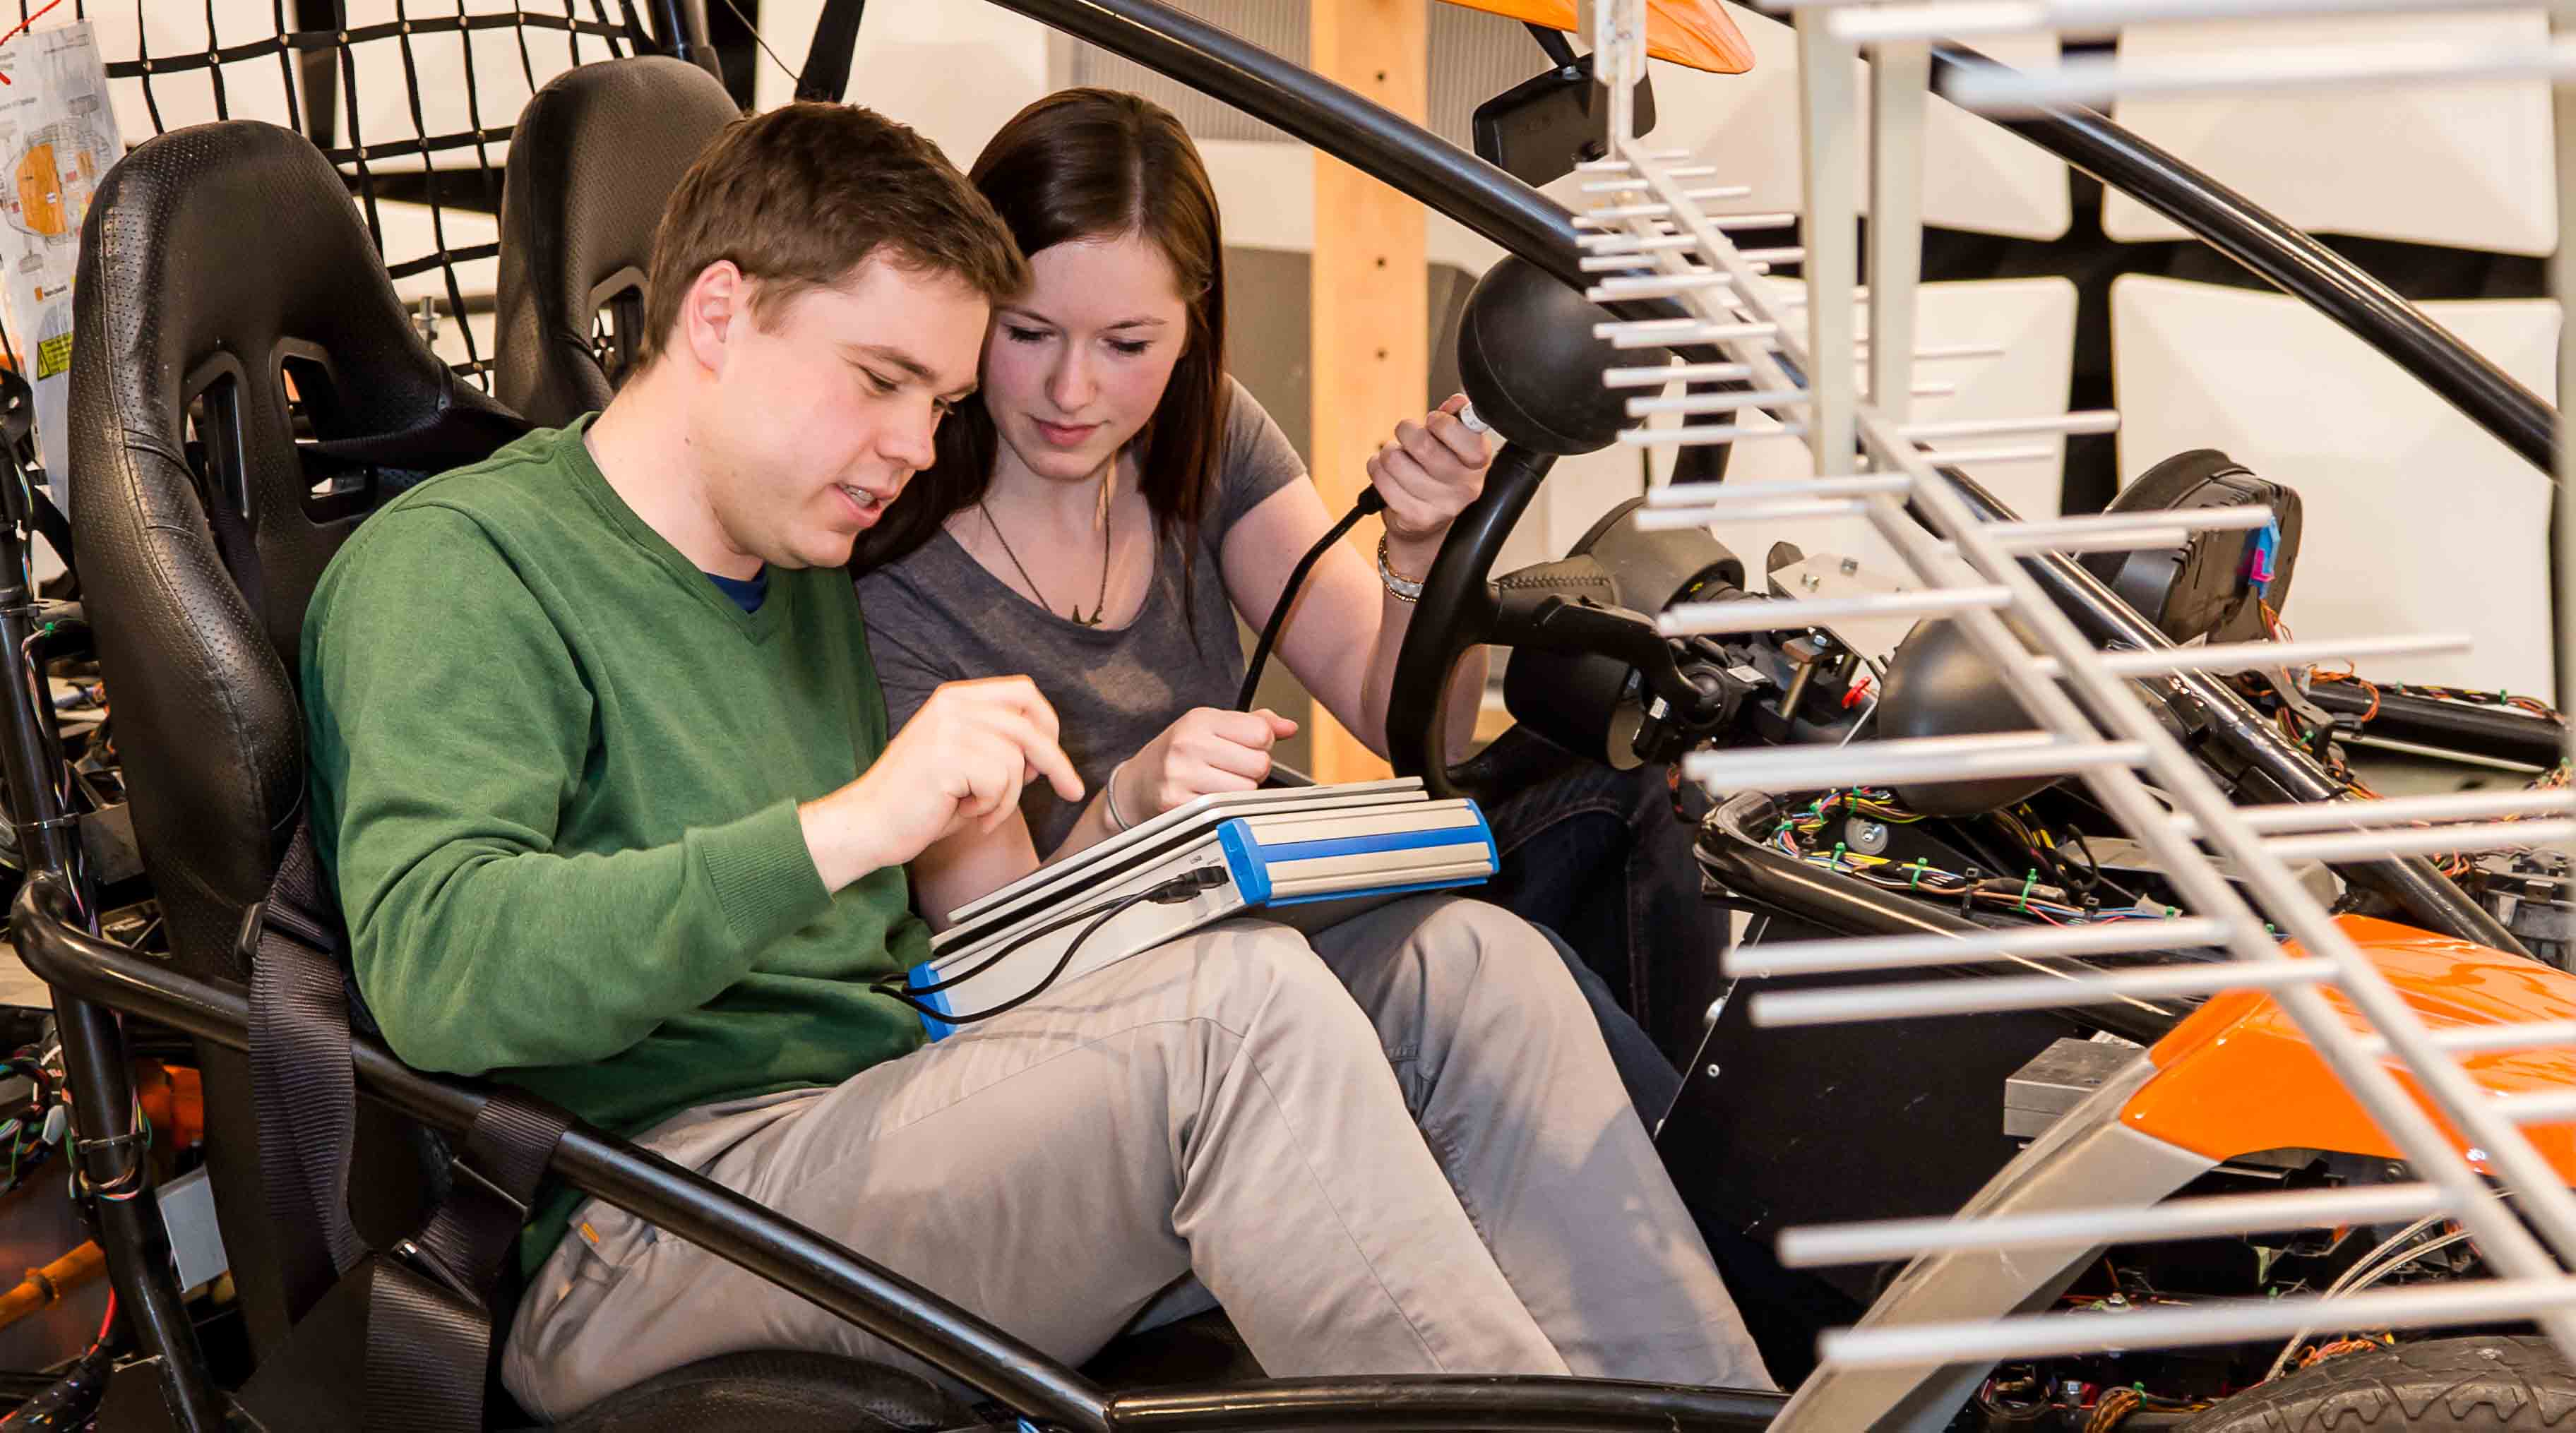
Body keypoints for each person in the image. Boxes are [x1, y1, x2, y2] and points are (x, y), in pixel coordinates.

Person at [299, 100, 1770, 1422]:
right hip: (645, 1221)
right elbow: (442, 973)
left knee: (1470, 973)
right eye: (878, 380)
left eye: (935, 405)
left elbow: (965, 932)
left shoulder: (797, 554)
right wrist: (847, 825)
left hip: (890, 1115)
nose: (906, 447)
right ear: (719, 315)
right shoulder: (459, 569)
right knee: (1236, 1019)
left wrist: (1062, 843)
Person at [852, 88, 1726, 1093]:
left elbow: (1411, 724)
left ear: (1192, 329)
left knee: (1642, 777)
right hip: (1146, 1007)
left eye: (1127, 345)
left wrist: (1423, 545)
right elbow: (997, 963)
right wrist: (1126, 807)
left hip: (1286, 908)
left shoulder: (1202, 432)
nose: (1071, 392)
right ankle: (1723, 1208)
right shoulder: (894, 562)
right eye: (1027, 333)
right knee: (1497, 979)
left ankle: (1712, 1181)